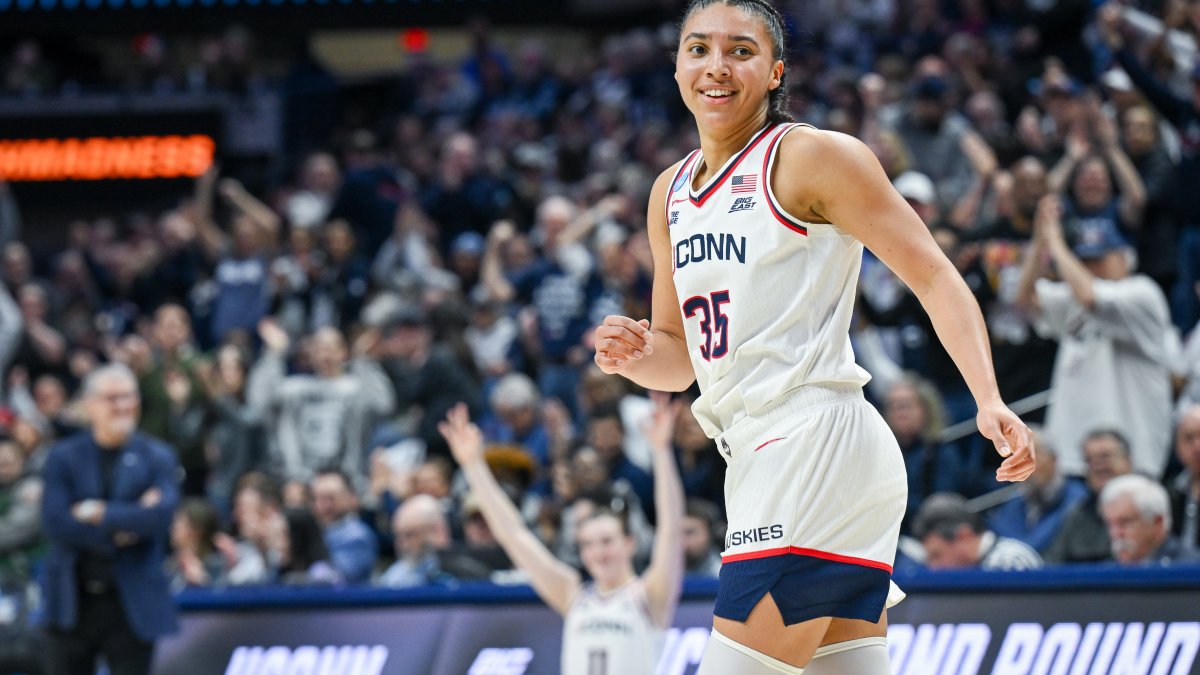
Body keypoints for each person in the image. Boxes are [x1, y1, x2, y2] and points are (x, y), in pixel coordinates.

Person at [592, 2, 1035, 672]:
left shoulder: (809, 157)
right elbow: (677, 360)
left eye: (740, 50)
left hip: (810, 442)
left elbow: (935, 274)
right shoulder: (670, 192)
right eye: (699, 48)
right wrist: (633, 356)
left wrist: (989, 396)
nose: (717, 65)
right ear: (678, 65)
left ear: (774, 72)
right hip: (765, 456)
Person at [438, 393, 685, 675]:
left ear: (629, 544)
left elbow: (670, 531)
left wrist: (662, 451)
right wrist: (473, 465)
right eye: (588, 544)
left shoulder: (648, 595)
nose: (597, 552)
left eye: (606, 541)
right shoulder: (572, 594)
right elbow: (514, 535)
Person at [40, 363, 180, 675]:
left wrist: (96, 512)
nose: (122, 406)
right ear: (90, 405)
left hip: (132, 603)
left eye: (128, 397)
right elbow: (55, 522)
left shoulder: (158, 456)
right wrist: (125, 526)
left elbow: (159, 520)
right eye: (112, 398)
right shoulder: (64, 455)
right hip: (73, 601)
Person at [1043, 429, 1133, 564]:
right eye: (1089, 460)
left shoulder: (1148, 503)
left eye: (1105, 456)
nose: (1098, 466)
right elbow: (1052, 563)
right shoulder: (1078, 514)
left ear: (1127, 460)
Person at [1100, 474, 1196, 566]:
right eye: (1110, 524)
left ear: (1157, 522)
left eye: (1125, 522)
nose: (1115, 533)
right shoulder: (1104, 573)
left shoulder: (1191, 567)